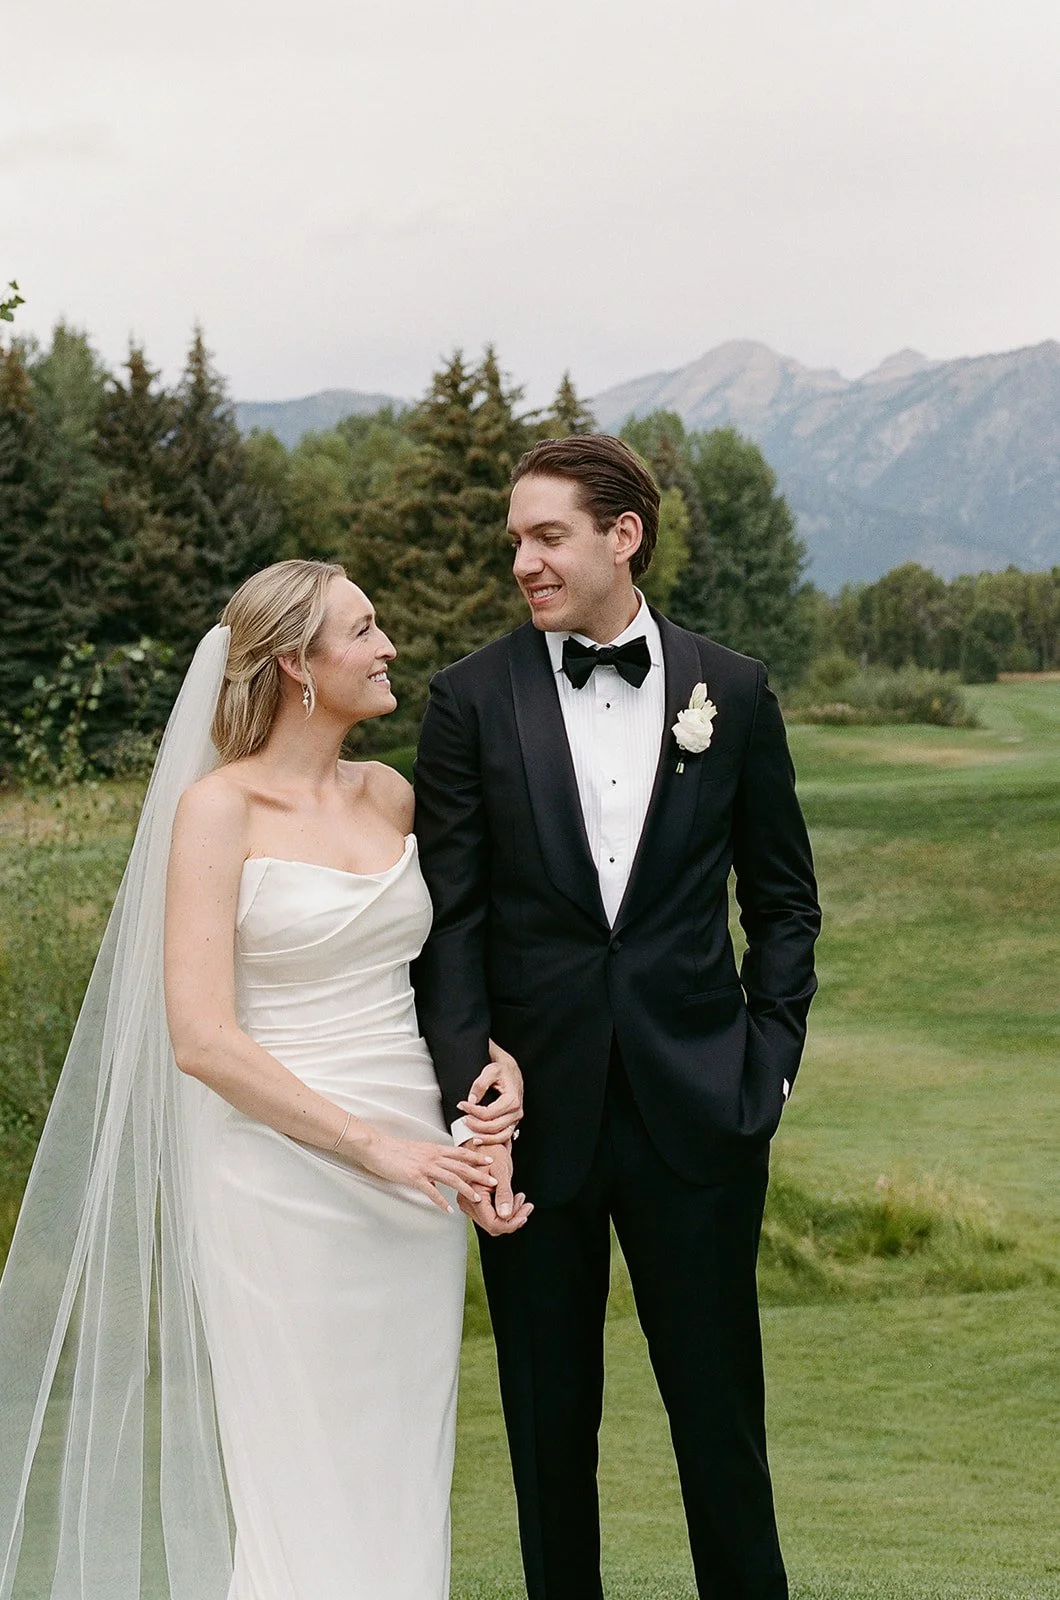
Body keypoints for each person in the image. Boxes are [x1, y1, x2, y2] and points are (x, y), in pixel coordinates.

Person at [0, 559, 527, 1600]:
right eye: (363, 629)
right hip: (277, 1173)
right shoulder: (216, 811)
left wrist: (494, 1062)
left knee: (398, 1463)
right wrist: (371, 1143)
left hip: (416, 1183)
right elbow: (200, 1037)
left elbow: (443, 974)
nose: (389, 647)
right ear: (296, 663)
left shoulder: (390, 794)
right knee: (299, 1467)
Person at [412, 435, 822, 1600]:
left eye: (546, 537)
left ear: (620, 535)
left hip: (698, 1110)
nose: (523, 565)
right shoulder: (467, 702)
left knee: (720, 1432)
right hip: (533, 1123)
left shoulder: (728, 690)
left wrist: (766, 1065)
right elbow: (449, 926)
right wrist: (470, 1090)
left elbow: (782, 901)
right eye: (515, 544)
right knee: (548, 1443)